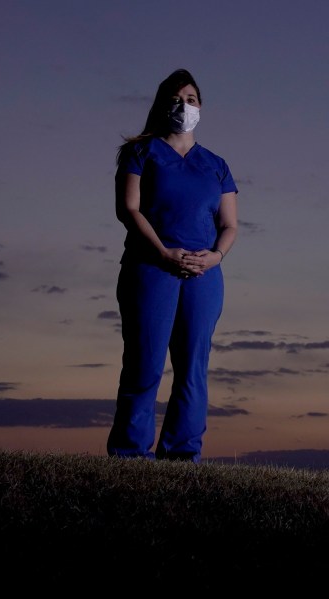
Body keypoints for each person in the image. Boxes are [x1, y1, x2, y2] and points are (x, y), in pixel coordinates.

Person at [106, 68, 239, 462]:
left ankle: (182, 455)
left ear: (202, 108)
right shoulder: (141, 153)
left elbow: (230, 225)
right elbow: (127, 209)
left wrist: (214, 257)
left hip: (203, 276)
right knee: (144, 362)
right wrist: (164, 253)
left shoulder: (216, 164)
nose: (185, 105)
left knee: (193, 366)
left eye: (192, 99)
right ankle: (130, 453)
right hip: (151, 269)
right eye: (178, 98)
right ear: (163, 104)